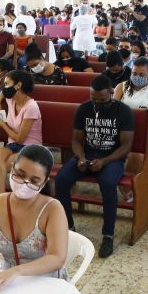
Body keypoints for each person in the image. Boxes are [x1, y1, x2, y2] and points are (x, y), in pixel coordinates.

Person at [0, 144, 68, 292]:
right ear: (12, 168)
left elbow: (57, 258)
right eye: (20, 174)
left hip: (46, 282)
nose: (25, 183)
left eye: (34, 180)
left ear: (44, 183)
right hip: (8, 282)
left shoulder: (52, 209)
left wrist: (16, 271)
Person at [54, 75, 135, 258]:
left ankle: (108, 235)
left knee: (107, 183)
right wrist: (81, 157)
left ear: (112, 93)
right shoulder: (83, 109)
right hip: (88, 154)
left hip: (113, 158)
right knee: (61, 180)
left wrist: (105, 161)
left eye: (102, 99)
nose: (97, 103)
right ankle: (69, 228)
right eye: (94, 99)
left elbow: (125, 147)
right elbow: (76, 140)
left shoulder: (123, 111)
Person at [114, 56, 148, 199]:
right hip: (121, 133)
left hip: (145, 134)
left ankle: (127, 186)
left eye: (142, 75)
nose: (137, 77)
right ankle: (117, 182)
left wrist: (133, 127)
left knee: (136, 155)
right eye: (134, 74)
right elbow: (112, 109)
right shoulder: (121, 87)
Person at [0, 70, 42, 194]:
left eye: (7, 84)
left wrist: (3, 125)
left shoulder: (31, 107)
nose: (4, 87)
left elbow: (20, 139)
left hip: (30, 148)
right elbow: (2, 94)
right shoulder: (11, 99)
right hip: (13, 145)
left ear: (18, 85)